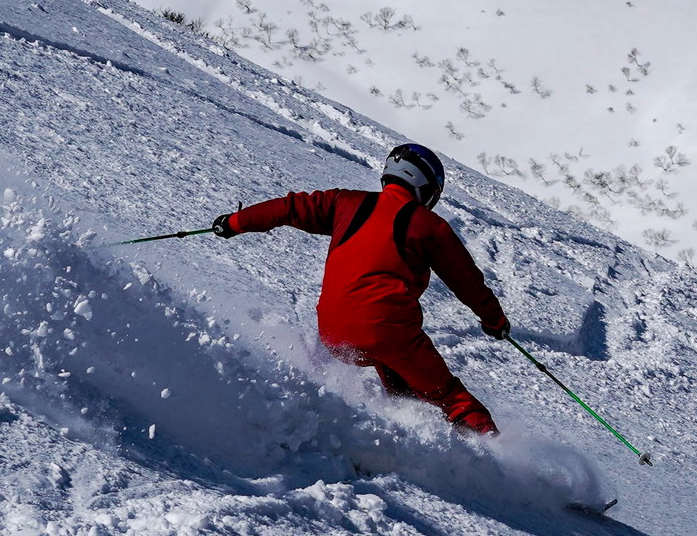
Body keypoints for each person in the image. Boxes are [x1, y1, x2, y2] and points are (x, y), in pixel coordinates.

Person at [213, 142, 509, 434]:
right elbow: (468, 282)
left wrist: (236, 222)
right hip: (388, 332)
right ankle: (495, 459)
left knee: (397, 375)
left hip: (333, 332)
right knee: (450, 396)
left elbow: (288, 208)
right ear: (424, 185)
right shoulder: (430, 226)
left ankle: (406, 435)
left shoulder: (345, 202)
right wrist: (494, 321)